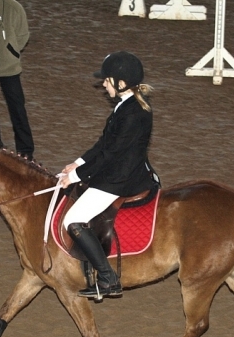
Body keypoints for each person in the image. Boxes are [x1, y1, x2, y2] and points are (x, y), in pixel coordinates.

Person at [59, 51, 156, 299]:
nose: (103, 84)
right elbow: (104, 143)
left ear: (121, 83)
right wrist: (77, 163)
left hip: (121, 178)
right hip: (119, 169)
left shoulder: (132, 113)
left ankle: (107, 278)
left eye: (107, 80)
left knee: (73, 219)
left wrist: (77, 176)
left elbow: (111, 154)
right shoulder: (127, 105)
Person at [0, 0, 35, 160]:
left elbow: (23, 34)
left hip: (9, 68)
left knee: (17, 109)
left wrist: (11, 51)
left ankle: (26, 151)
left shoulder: (14, 6)